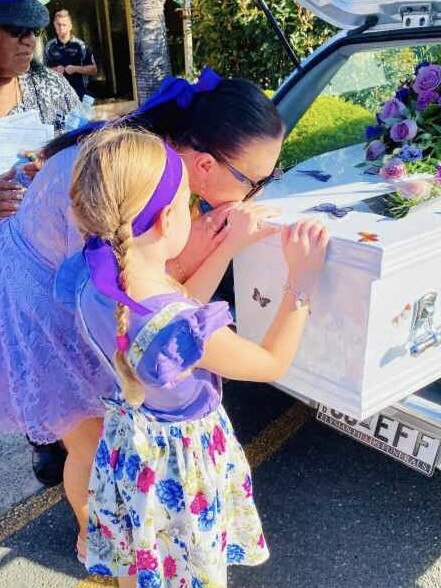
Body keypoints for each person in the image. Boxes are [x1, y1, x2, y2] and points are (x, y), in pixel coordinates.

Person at [0, 68, 285, 557]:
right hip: (40, 300)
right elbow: (155, 290)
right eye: (253, 182)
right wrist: (220, 245)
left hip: (71, 279)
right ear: (203, 165)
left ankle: (110, 538)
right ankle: (98, 539)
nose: (255, 193)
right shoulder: (127, 184)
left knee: (103, 431)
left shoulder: (149, 163)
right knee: (87, 439)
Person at [69, 127, 328, 587]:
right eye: (190, 202)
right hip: (181, 468)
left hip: (135, 453)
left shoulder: (98, 284)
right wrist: (301, 282)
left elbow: (181, 305)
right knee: (187, 568)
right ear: (168, 219)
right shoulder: (179, 326)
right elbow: (271, 363)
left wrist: (227, 245)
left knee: (145, 558)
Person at [0, 0, 82, 482]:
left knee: (56, 337)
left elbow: (83, 140)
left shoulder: (48, 85)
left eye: (33, 30)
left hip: (48, 246)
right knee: (16, 350)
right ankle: (41, 433)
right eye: (13, 30)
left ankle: (65, 433)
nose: (29, 40)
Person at [44, 9, 97, 100]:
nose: (61, 28)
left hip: (79, 94)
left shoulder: (81, 46)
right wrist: (54, 70)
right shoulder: (50, 46)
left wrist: (75, 68)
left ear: (70, 26)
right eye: (58, 24)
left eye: (64, 25)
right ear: (54, 25)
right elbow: (42, 70)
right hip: (57, 95)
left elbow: (93, 70)